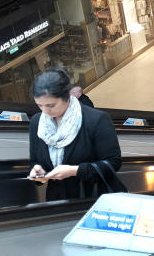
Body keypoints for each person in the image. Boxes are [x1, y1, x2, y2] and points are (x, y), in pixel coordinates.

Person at [27, 68, 122, 202]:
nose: (45, 111)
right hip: (58, 202)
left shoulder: (96, 120)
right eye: (40, 105)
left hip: (94, 199)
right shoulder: (37, 123)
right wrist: (37, 171)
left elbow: (113, 162)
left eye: (51, 105)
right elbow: (34, 161)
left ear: (67, 96)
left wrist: (75, 170)